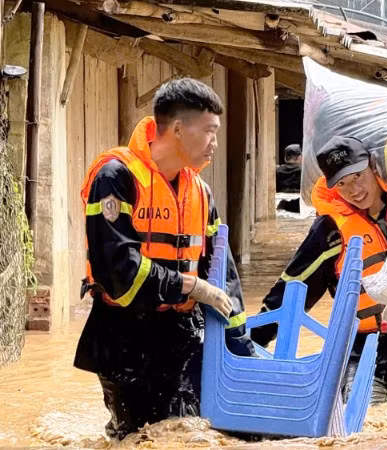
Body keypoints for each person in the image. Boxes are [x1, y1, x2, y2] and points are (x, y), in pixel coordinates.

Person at [74, 78, 255, 440]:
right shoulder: (115, 177)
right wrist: (191, 286)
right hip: (125, 336)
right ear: (177, 129)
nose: (215, 143)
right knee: (139, 436)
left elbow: (222, 274)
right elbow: (118, 270)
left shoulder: (200, 192)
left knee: (195, 432)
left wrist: (242, 347)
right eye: (209, 131)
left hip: (181, 332)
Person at [250, 136, 387, 404]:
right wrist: (248, 343)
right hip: (364, 352)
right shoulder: (330, 230)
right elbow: (293, 289)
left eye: (357, 176)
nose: (354, 190)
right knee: (364, 426)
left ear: (373, 167)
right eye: (341, 183)